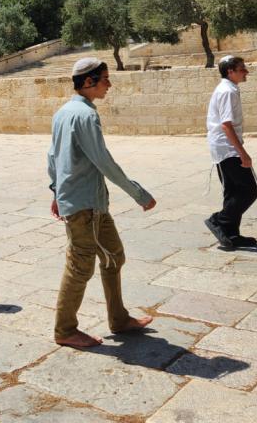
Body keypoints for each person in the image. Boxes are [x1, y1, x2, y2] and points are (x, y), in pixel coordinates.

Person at [48, 58, 156, 349]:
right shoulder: (84, 115)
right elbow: (103, 161)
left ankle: (119, 318)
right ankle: (65, 329)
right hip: (85, 205)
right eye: (105, 79)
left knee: (114, 256)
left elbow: (51, 158)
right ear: (88, 82)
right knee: (80, 265)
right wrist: (139, 194)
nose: (109, 84)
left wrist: (55, 191)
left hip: (88, 202)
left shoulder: (63, 113)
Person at [205, 56, 257, 249]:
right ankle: (220, 220)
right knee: (249, 190)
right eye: (242, 68)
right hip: (227, 148)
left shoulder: (227, 89)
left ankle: (231, 234)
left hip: (221, 146)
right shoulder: (228, 91)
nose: (246, 72)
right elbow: (226, 125)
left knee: (233, 191)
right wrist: (242, 153)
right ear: (230, 71)